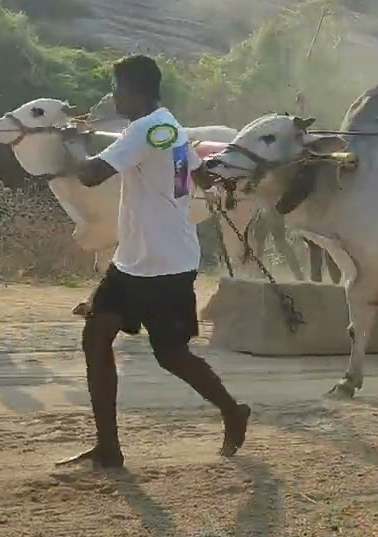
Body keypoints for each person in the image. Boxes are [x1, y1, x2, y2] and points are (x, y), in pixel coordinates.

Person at [61, 54, 250, 468]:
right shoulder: (169, 126)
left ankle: (233, 411)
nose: (114, 96)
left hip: (164, 261)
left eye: (117, 87)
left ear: (135, 89)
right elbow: (197, 176)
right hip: (133, 259)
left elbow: (91, 175)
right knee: (95, 339)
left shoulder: (148, 129)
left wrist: (72, 143)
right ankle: (109, 448)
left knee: (171, 355)